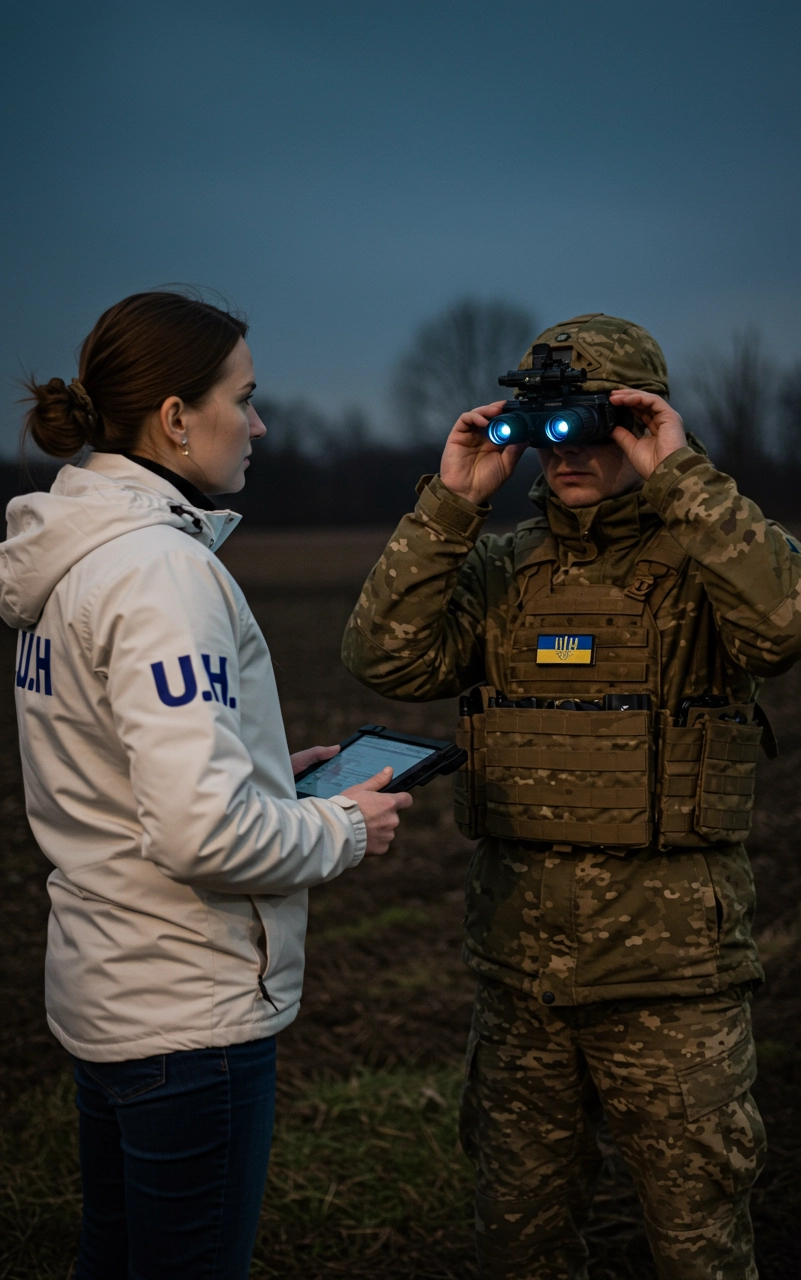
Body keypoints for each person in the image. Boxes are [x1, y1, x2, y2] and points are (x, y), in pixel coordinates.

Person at [342, 313, 801, 1280]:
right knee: (519, 1243)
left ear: (639, 422)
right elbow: (383, 656)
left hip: (673, 988)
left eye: (587, 423)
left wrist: (681, 475)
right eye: (543, 427)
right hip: (522, 979)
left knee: (700, 1247)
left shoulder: (707, 565)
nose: (561, 451)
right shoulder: (499, 570)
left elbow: (799, 621)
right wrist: (452, 506)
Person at [0, 290, 412, 1280]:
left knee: (115, 1257)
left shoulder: (72, 557)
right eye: (245, 395)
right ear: (175, 417)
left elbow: (117, 777)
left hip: (106, 995)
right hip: (188, 1017)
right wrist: (341, 827)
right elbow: (200, 833)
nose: (261, 423)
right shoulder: (159, 574)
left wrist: (277, 776)